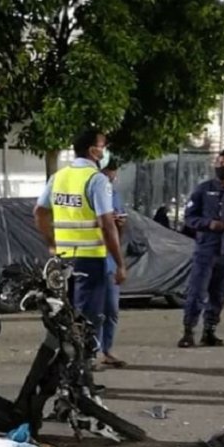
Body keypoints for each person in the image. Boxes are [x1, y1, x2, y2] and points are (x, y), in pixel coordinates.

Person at [34, 128, 127, 368]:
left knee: (65, 314)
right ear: (92, 150)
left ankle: (66, 363)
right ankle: (82, 367)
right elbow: (107, 225)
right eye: (102, 146)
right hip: (89, 259)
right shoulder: (96, 180)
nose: (104, 151)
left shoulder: (59, 176)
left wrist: (52, 244)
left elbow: (40, 212)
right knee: (88, 317)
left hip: (63, 259)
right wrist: (119, 263)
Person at [178, 149, 224, 348]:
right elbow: (190, 218)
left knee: (218, 294)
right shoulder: (203, 190)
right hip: (205, 250)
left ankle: (209, 331)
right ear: (215, 165)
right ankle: (188, 332)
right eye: (221, 163)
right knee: (197, 292)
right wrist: (209, 224)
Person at [99, 157, 127, 367]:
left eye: (113, 172)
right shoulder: (91, 192)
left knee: (112, 309)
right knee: (92, 311)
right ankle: (93, 353)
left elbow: (117, 230)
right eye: (107, 171)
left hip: (110, 260)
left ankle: (107, 350)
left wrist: (120, 223)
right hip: (91, 258)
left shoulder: (114, 196)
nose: (111, 175)